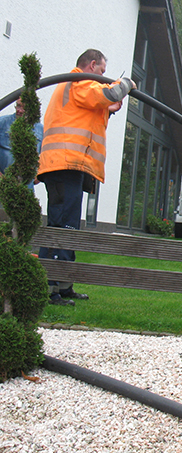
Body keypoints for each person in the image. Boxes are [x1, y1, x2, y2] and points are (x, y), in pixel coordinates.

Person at [37, 49, 136, 306]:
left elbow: (91, 113)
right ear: (92, 64)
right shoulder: (79, 81)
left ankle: (63, 285)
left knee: (67, 225)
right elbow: (110, 92)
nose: (103, 77)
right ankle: (50, 290)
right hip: (64, 164)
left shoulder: (77, 89)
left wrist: (109, 110)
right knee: (61, 226)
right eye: (102, 71)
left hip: (68, 165)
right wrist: (126, 84)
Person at [0, 98, 43, 189]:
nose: (19, 110)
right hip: (3, 184)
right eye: (18, 105)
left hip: (26, 186)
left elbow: (46, 154)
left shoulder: (40, 130)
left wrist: (40, 174)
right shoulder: (2, 123)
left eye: (24, 108)